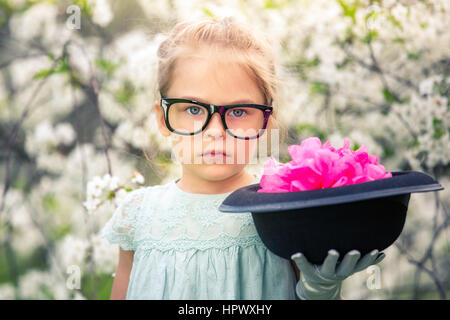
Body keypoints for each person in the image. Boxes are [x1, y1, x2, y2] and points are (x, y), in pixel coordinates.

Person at [100, 16, 385, 300]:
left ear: (265, 121)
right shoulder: (137, 216)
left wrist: (320, 291)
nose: (215, 132)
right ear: (163, 119)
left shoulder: (283, 211)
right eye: (193, 110)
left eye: (237, 112)